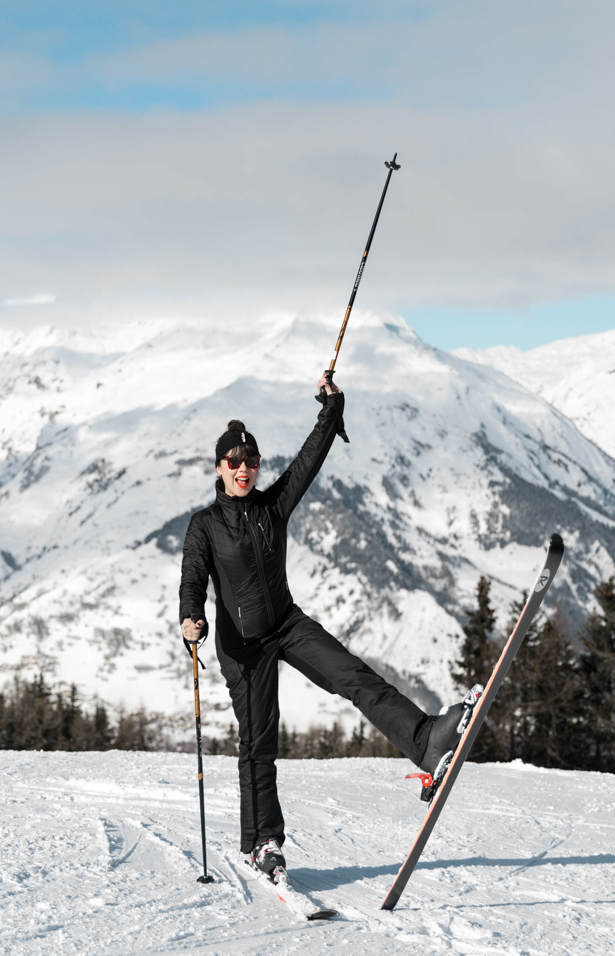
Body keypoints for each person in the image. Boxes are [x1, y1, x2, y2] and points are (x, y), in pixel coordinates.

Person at [178, 373, 469, 878]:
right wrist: (192, 617)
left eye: (251, 461)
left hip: (286, 623)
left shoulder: (273, 507)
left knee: (353, 677)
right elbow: (192, 579)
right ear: (219, 468)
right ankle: (262, 842)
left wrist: (331, 409)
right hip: (241, 646)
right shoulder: (204, 525)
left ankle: (426, 742)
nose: (244, 469)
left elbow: (310, 460)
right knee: (259, 741)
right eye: (234, 462)